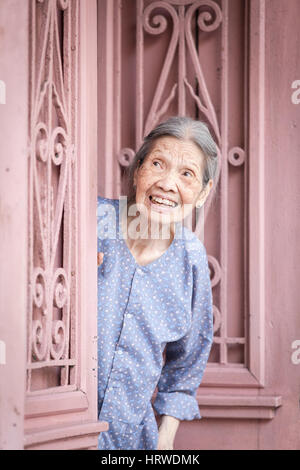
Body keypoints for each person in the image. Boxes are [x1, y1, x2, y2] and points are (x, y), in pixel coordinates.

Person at [97, 116, 218, 450]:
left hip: (131, 443)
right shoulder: (92, 222)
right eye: (157, 164)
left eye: (186, 174)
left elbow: (185, 368)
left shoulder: (191, 260)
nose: (167, 183)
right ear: (138, 171)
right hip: (59, 431)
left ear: (203, 192)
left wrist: (162, 446)